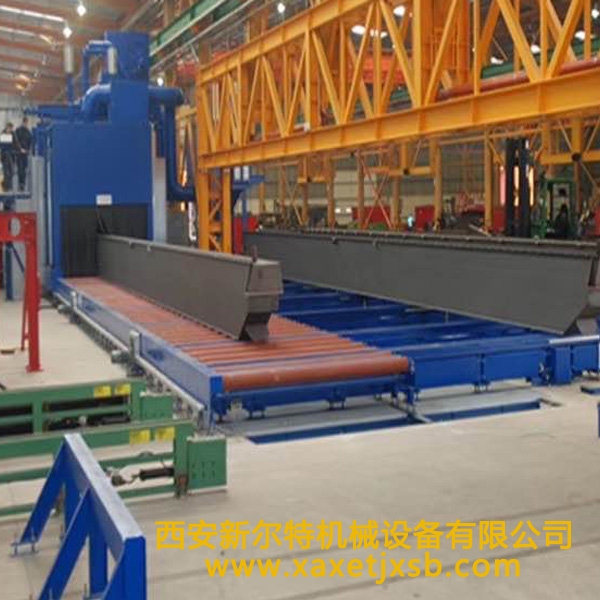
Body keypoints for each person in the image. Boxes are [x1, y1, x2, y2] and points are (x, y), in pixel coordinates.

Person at [14, 117, 32, 191]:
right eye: (25, 123)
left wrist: (27, 150)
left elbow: (30, 142)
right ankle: (21, 183)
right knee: (20, 169)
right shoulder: (19, 131)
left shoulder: (28, 132)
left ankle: (22, 184)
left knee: (23, 169)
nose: (26, 124)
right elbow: (15, 141)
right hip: (19, 153)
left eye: (26, 123)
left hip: (25, 153)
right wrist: (20, 149)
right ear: (23, 122)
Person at [1, 122, 14, 192]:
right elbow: (3, 146)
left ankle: (7, 185)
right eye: (10, 128)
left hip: (10, 155)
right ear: (8, 127)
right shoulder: (3, 135)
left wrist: (20, 149)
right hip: (5, 155)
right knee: (6, 171)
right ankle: (6, 186)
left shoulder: (12, 134)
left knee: (11, 171)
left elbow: (15, 142)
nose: (11, 130)